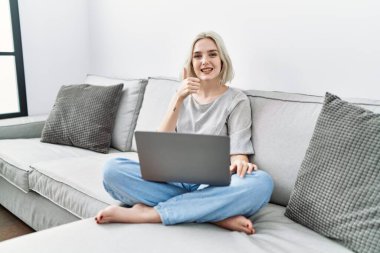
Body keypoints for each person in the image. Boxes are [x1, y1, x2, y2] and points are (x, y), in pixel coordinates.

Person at [95, 31, 273, 235]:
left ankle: (150, 214)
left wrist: (240, 162)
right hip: (174, 179)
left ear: (222, 60)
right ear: (191, 63)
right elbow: (159, 149)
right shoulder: (181, 96)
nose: (205, 61)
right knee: (112, 169)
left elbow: (239, 154)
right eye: (198, 56)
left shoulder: (236, 100)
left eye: (212, 54)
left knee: (261, 183)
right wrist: (178, 98)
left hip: (214, 184)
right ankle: (215, 214)